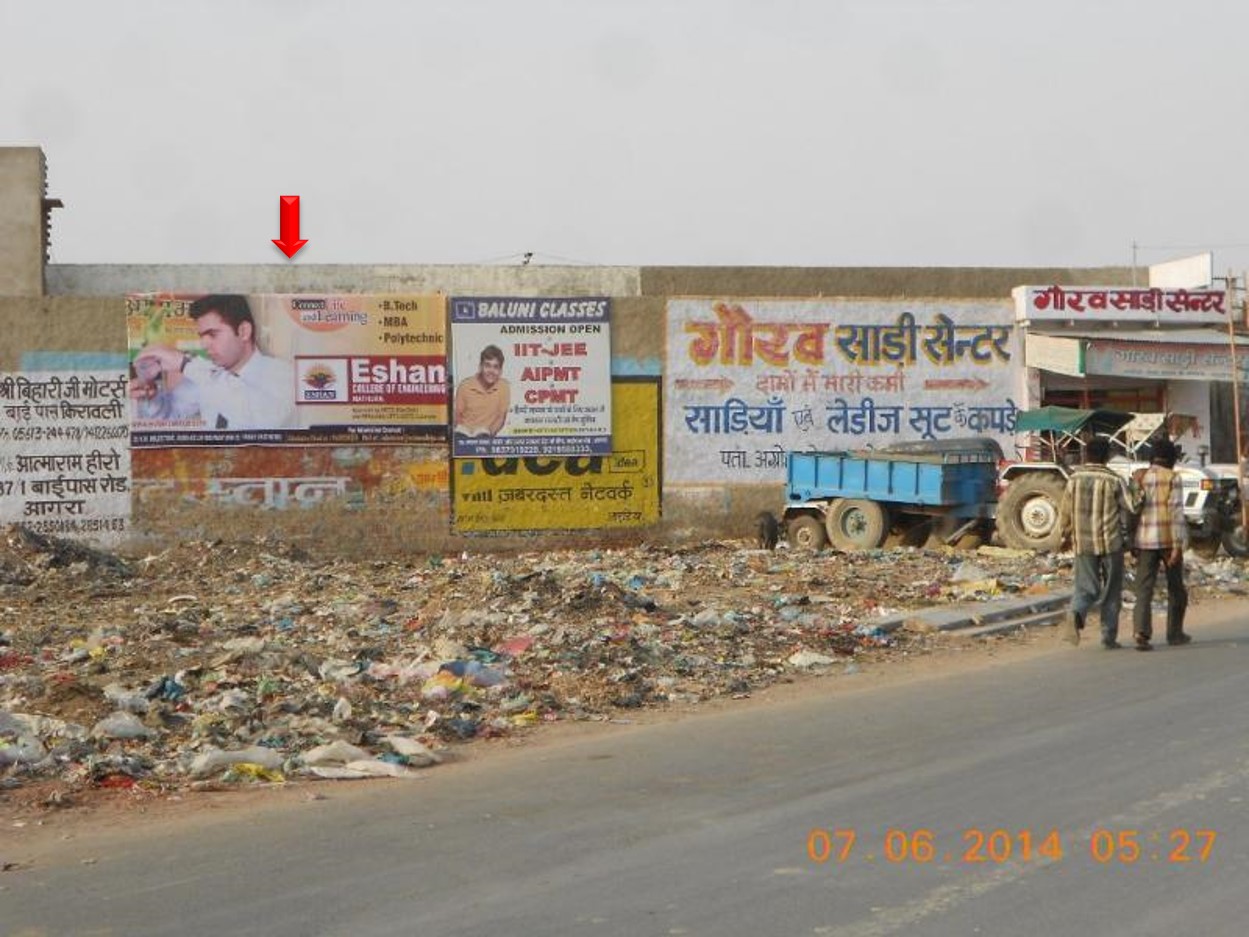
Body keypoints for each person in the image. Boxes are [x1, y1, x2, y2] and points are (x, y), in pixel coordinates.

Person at [132, 294, 297, 430]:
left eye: (212, 334)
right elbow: (170, 415)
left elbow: (264, 420)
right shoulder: (206, 377)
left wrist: (184, 363)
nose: (203, 344)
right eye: (201, 336)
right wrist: (151, 398)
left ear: (244, 331)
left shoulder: (283, 374)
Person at [1057, 437, 1141, 649]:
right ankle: (1108, 637)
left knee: (1085, 587)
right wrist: (1138, 486)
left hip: (1082, 543)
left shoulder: (1074, 479)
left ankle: (1075, 612)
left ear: (1086, 455)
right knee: (1111, 592)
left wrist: (1063, 537)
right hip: (1110, 543)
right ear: (1107, 456)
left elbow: (1064, 513)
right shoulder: (1114, 480)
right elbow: (1133, 506)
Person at [1131, 437, 1190, 650]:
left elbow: (1132, 509)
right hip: (1168, 540)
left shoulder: (1140, 477)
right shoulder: (1173, 478)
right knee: (1176, 588)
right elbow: (1176, 513)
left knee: (1144, 589)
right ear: (1172, 457)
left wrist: (1132, 541)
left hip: (1145, 540)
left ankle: (1141, 632)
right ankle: (1175, 633)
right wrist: (1178, 545)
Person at [453, 344, 510, 439]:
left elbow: (501, 418)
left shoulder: (504, 387)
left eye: (495, 367)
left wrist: (489, 436)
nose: (491, 371)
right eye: (487, 365)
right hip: (464, 434)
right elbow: (457, 416)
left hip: (486, 435)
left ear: (500, 371)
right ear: (480, 367)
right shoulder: (465, 386)